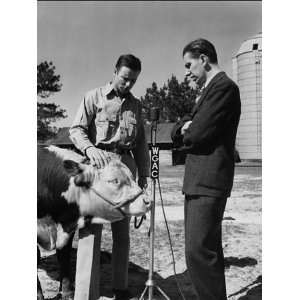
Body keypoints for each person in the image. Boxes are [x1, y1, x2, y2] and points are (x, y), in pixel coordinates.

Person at [69, 54, 150, 300]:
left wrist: (143, 175)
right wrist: (90, 149)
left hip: (126, 169)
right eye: (125, 78)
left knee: (122, 233)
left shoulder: (136, 105)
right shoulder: (93, 97)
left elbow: (141, 143)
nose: (128, 84)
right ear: (115, 71)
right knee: (90, 232)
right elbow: (76, 130)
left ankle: (120, 287)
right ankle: (85, 293)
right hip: (100, 170)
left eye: (133, 81)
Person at [171, 38, 241, 300]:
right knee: (204, 250)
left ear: (203, 58)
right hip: (199, 180)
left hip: (209, 180)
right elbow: (181, 128)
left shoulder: (224, 88)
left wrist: (189, 126)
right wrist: (187, 126)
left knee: (199, 251)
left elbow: (196, 133)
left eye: (189, 64)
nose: (186, 71)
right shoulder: (209, 90)